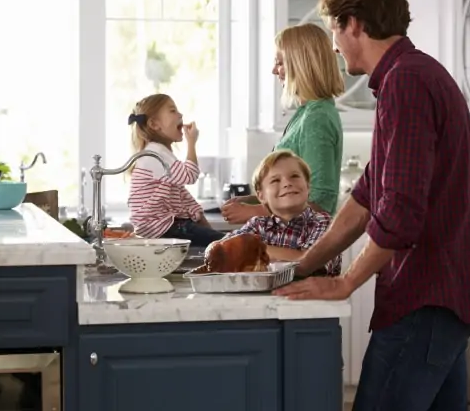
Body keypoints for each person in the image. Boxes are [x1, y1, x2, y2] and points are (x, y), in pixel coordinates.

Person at [273, 0, 470, 411]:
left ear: (355, 24)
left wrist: (346, 283)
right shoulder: (409, 76)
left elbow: (400, 211)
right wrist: (305, 267)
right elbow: (367, 196)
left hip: (424, 298)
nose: (333, 43)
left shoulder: (406, 82)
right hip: (443, 299)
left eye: (334, 28)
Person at [221, 23, 345, 224]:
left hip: (303, 245)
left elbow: (319, 199)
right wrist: (253, 199)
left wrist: (255, 212)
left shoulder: (317, 118)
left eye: (280, 62)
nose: (274, 70)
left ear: (301, 65)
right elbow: (297, 190)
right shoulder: (307, 112)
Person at [127, 93, 223, 247]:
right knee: (229, 242)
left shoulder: (161, 154)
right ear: (154, 124)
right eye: (172, 111)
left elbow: (183, 195)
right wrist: (192, 143)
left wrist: (205, 225)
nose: (180, 114)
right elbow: (190, 175)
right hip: (162, 228)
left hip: (167, 226)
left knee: (227, 242)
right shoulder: (155, 153)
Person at [224, 150, 341, 275]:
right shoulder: (258, 224)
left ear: (308, 186)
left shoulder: (323, 222)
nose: (287, 183)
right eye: (275, 180)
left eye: (294, 176)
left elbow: (312, 261)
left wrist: (254, 249)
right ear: (261, 196)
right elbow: (226, 248)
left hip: (311, 294)